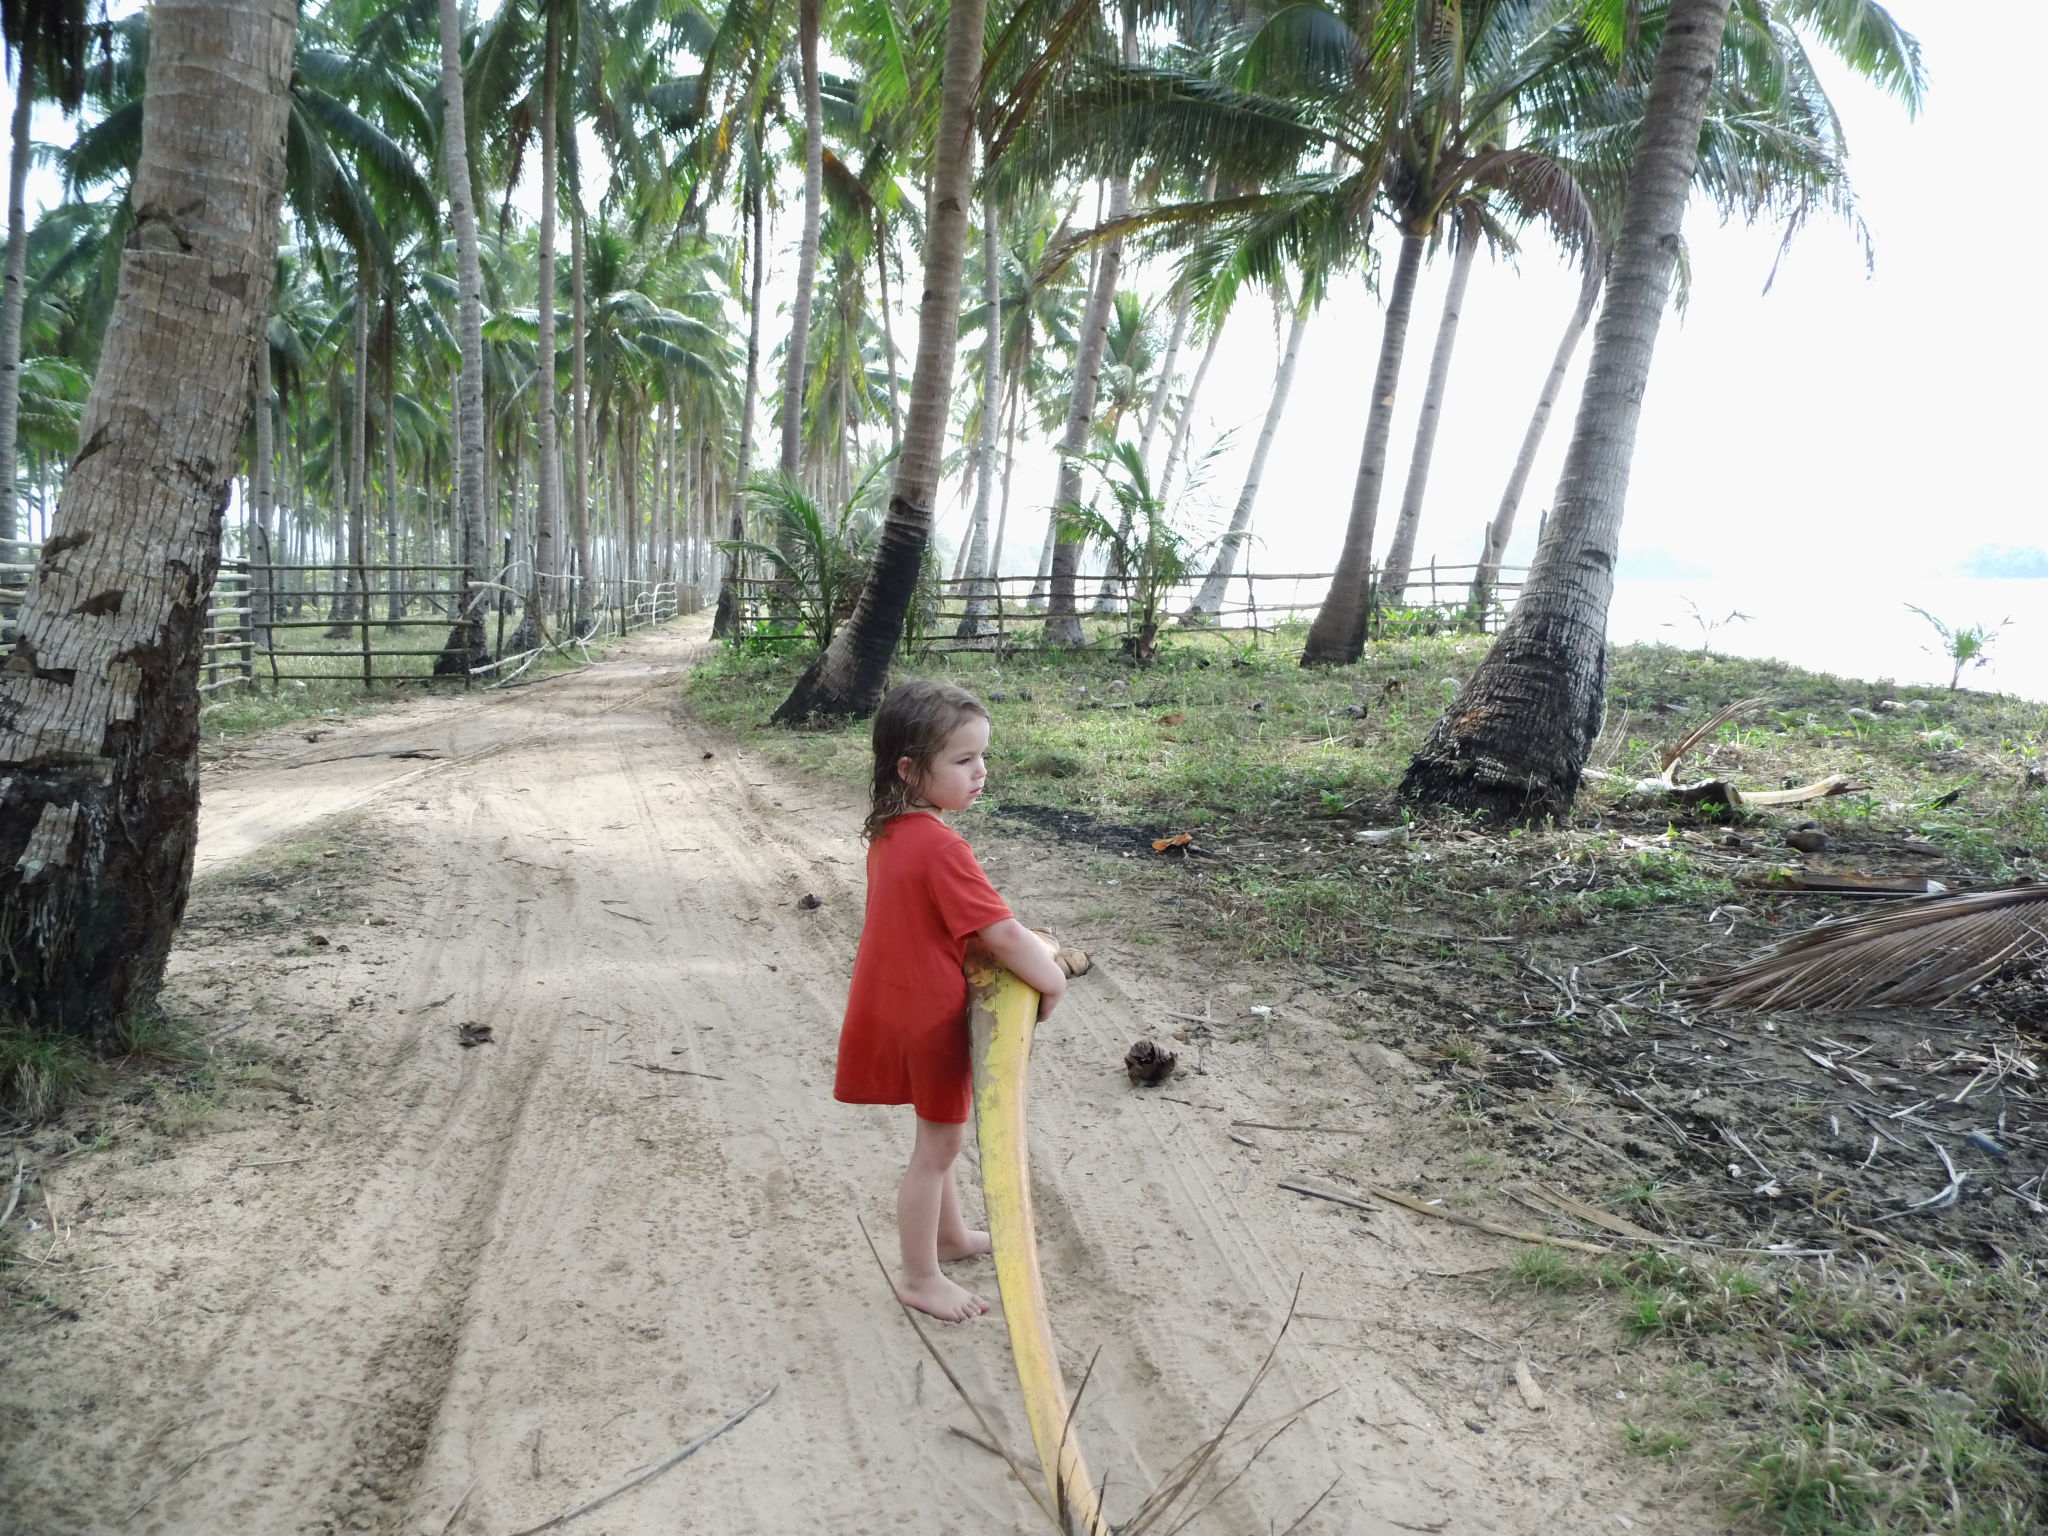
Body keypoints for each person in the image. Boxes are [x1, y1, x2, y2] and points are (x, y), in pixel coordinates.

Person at [835, 679, 1069, 1322]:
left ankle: (951, 1236)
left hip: (892, 1002)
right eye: (964, 760)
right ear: (910, 770)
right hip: (927, 1017)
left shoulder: (892, 831)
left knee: (939, 1133)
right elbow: (1001, 933)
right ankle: (919, 1277)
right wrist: (1051, 978)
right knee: (936, 1150)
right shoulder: (942, 847)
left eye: (982, 756)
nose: (981, 772)